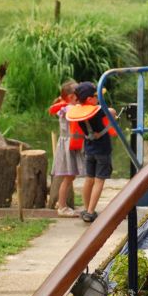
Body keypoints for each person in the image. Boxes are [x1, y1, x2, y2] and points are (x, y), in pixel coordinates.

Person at [66, 82, 117, 223]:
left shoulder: (79, 112)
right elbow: (111, 112)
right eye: (96, 96)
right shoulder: (96, 110)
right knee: (99, 180)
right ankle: (90, 211)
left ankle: (87, 208)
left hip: (89, 149)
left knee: (89, 179)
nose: (99, 98)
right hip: (102, 150)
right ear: (89, 99)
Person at [48, 80, 86, 218]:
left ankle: (61, 202)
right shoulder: (70, 109)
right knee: (68, 177)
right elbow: (81, 114)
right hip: (68, 145)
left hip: (68, 144)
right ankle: (62, 207)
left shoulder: (66, 107)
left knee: (70, 176)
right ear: (71, 97)